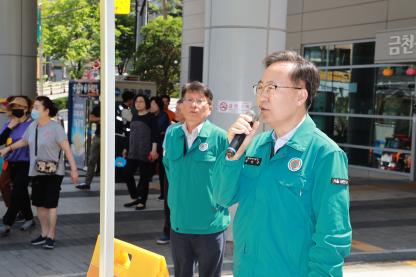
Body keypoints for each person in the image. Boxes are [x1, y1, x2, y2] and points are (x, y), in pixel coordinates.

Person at [212, 50, 352, 276]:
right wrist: (232, 154)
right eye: (260, 87)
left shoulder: (325, 154)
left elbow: (333, 237)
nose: (262, 97)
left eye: (272, 88)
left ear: (300, 95)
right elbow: (221, 196)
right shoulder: (255, 146)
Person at [163, 81, 229, 277]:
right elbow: (169, 170)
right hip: (179, 222)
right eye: (189, 100)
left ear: (209, 108)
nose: (193, 105)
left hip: (210, 224)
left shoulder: (220, 138)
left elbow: (229, 178)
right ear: (181, 105)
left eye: (200, 101)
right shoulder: (172, 134)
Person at [0, 96, 79, 249]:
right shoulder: (33, 126)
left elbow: (67, 149)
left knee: (51, 205)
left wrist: (74, 169)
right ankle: (43, 234)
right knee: (39, 204)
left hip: (54, 172)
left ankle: (51, 235)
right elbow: (24, 141)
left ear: (46, 111)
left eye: (37, 107)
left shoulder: (56, 127)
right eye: (34, 107)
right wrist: (8, 148)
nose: (34, 110)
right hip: (36, 170)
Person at [0, 96, 35, 236]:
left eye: (21, 107)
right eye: (14, 107)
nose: (17, 110)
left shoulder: (33, 124)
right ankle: (29, 218)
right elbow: (1, 140)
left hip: (26, 162)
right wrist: (9, 127)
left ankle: (7, 222)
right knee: (16, 190)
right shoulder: (9, 123)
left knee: (17, 192)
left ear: (27, 109)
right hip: (11, 162)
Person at [123, 94, 159, 210]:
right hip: (133, 151)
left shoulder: (151, 117)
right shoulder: (133, 116)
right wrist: (125, 148)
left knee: (144, 178)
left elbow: (155, 136)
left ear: (146, 103)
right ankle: (135, 196)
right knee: (127, 174)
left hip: (146, 151)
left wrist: (154, 150)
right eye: (136, 101)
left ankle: (142, 201)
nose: (138, 103)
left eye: (141, 101)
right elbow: (129, 134)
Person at [156, 99, 184, 245]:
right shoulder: (171, 130)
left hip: (187, 174)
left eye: (180, 110)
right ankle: (168, 231)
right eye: (176, 109)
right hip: (171, 171)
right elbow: (165, 151)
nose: (176, 112)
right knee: (169, 201)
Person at [76, 102, 100, 190]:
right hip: (99, 136)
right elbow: (90, 118)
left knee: (110, 162)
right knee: (91, 160)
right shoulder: (99, 106)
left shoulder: (115, 106)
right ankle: (87, 183)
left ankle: (111, 182)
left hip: (111, 137)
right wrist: (101, 118)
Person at [150, 96, 170, 200]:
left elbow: (159, 130)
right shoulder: (151, 115)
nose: (151, 106)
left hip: (162, 147)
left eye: (153, 104)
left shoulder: (164, 115)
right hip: (153, 146)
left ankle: (163, 193)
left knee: (163, 172)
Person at [115, 91, 135, 182]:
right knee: (120, 156)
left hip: (116, 135)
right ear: (130, 100)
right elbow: (132, 121)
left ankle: (117, 175)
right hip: (121, 137)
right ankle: (119, 176)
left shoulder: (119, 107)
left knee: (118, 156)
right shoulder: (126, 110)